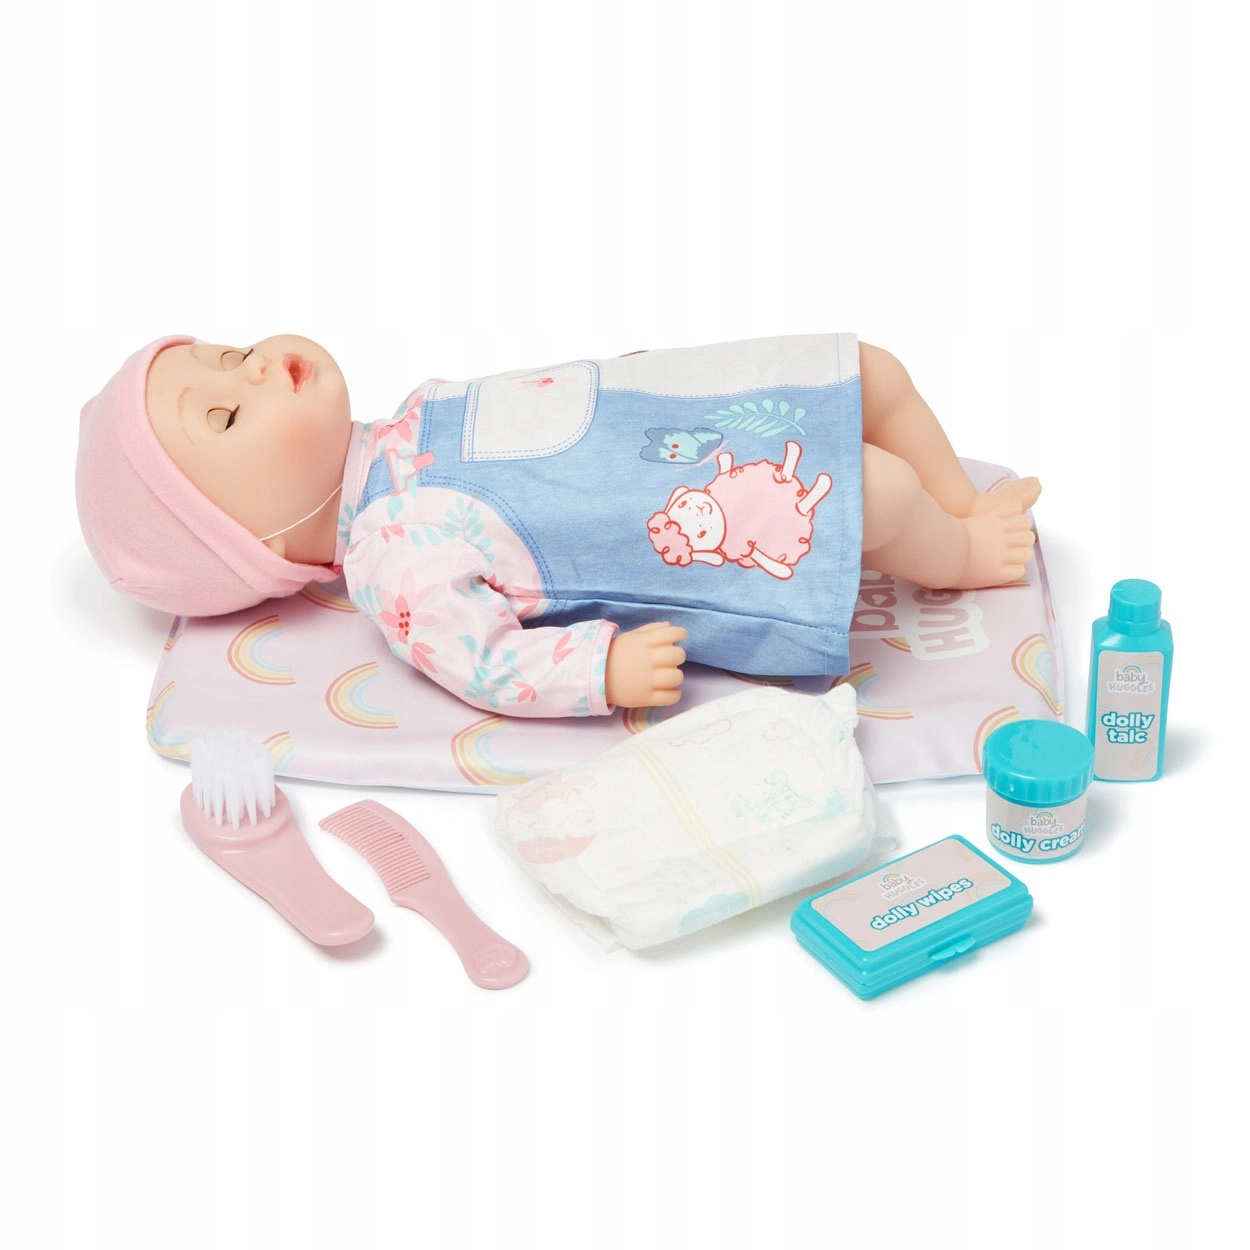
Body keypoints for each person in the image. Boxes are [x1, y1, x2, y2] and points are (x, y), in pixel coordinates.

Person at [76, 333, 1038, 717]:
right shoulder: (391, 557)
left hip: (669, 422)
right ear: (256, 542)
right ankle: (957, 552)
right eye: (225, 415)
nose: (249, 367)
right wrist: (600, 671)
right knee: (876, 492)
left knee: (871, 369)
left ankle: (958, 497)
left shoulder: (407, 417)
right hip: (678, 519)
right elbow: (486, 661)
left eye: (226, 353)